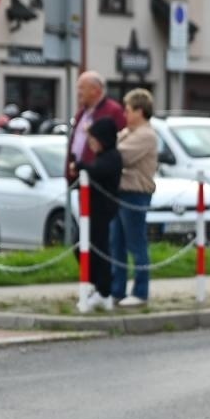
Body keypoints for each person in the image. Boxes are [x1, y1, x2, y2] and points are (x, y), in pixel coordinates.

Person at [111, 87, 159, 308]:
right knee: (116, 244)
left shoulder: (145, 135)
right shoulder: (128, 132)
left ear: (140, 111)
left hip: (135, 194)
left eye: (128, 110)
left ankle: (141, 291)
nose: (125, 114)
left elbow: (119, 156)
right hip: (120, 192)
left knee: (135, 244)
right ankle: (117, 289)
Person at [79, 115, 121, 310]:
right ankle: (98, 287)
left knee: (100, 251)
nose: (91, 144)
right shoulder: (102, 156)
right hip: (93, 211)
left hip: (103, 212)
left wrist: (81, 166)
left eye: (93, 140)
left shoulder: (112, 157)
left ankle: (104, 291)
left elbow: (99, 171)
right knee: (84, 249)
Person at [66, 71, 125, 181]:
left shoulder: (113, 111)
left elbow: (119, 143)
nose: (78, 92)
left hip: (99, 179)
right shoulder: (81, 113)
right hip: (81, 176)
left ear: (95, 90)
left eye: (81, 88)